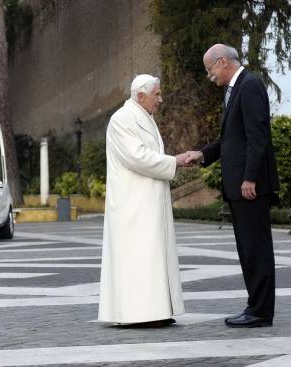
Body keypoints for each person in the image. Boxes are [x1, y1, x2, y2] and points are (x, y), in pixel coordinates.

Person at [185, 44, 279, 328]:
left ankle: (261, 311)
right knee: (247, 248)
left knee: (256, 248)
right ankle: (255, 306)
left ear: (223, 62)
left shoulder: (249, 86)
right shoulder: (236, 89)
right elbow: (231, 141)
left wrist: (250, 177)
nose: (209, 75)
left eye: (209, 68)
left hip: (248, 186)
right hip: (239, 186)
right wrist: (202, 154)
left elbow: (257, 136)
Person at [98, 74, 188, 326]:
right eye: (156, 95)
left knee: (152, 256)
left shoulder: (142, 117)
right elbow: (137, 157)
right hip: (133, 203)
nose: (161, 99)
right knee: (137, 258)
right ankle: (137, 314)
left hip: (147, 200)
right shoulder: (122, 119)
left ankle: (156, 311)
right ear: (140, 96)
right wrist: (175, 161)